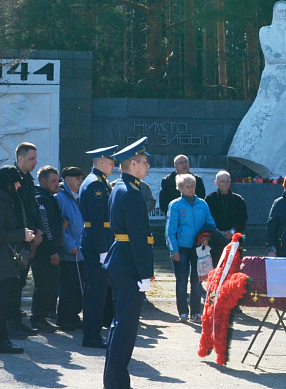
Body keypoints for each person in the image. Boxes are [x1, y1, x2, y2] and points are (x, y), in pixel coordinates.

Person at [226, 0, 286, 179]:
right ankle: (250, 152)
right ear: (274, 12)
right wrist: (285, 55)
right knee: (263, 115)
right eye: (280, 12)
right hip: (271, 81)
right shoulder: (265, 31)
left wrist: (285, 35)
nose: (283, 15)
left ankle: (280, 169)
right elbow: (270, 56)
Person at [102, 137, 155, 389]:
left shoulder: (120, 187)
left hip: (120, 260)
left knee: (119, 324)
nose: (147, 166)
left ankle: (115, 381)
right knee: (125, 326)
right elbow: (138, 238)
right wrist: (146, 273)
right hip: (128, 264)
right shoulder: (132, 193)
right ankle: (116, 383)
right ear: (132, 163)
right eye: (144, 162)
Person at [0, 165, 36, 354]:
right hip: (0, 258)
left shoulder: (5, 199)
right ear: (7, 183)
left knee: (5, 300)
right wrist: (21, 235)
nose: (18, 186)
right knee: (2, 301)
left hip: (6, 257)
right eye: (15, 182)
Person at [79, 145, 118, 348]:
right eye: (111, 162)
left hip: (99, 242)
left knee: (99, 291)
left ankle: (93, 333)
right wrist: (103, 250)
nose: (114, 165)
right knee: (95, 292)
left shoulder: (100, 182)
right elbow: (95, 221)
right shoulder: (95, 185)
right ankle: (91, 335)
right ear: (101, 162)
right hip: (97, 244)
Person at [165, 174, 216, 323]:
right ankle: (182, 313)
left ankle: (196, 312)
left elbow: (210, 224)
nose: (191, 189)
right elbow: (169, 230)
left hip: (198, 248)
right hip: (181, 248)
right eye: (187, 186)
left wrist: (207, 237)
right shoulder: (175, 205)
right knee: (181, 281)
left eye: (192, 186)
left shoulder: (203, 204)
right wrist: (173, 250)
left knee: (197, 281)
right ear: (180, 188)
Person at [10, 142, 42, 337]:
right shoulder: (12, 179)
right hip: (17, 238)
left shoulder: (28, 180)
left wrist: (37, 231)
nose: (35, 162)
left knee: (21, 281)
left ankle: (16, 320)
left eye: (36, 158)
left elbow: (33, 208)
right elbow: (14, 212)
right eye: (31, 159)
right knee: (13, 282)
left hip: (29, 236)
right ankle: (9, 321)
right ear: (20, 158)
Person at [29, 166, 62, 333]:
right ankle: (38, 318)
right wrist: (51, 251)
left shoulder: (49, 197)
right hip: (43, 252)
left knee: (49, 284)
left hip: (49, 249)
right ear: (43, 181)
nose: (57, 184)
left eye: (58, 181)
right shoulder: (41, 199)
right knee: (43, 285)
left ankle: (42, 316)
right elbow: (46, 226)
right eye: (53, 181)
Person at [55, 166, 85, 331]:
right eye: (77, 178)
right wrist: (69, 245)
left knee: (77, 288)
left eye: (81, 178)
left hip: (80, 250)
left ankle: (73, 316)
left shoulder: (77, 196)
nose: (80, 181)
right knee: (68, 287)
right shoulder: (60, 197)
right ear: (67, 179)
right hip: (70, 251)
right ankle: (64, 318)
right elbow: (61, 225)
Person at [205, 170, 248, 265]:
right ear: (216, 183)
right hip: (214, 240)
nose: (225, 184)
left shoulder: (238, 200)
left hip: (234, 239)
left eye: (227, 181)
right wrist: (217, 232)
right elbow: (206, 219)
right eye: (222, 181)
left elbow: (243, 219)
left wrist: (232, 231)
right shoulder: (209, 199)